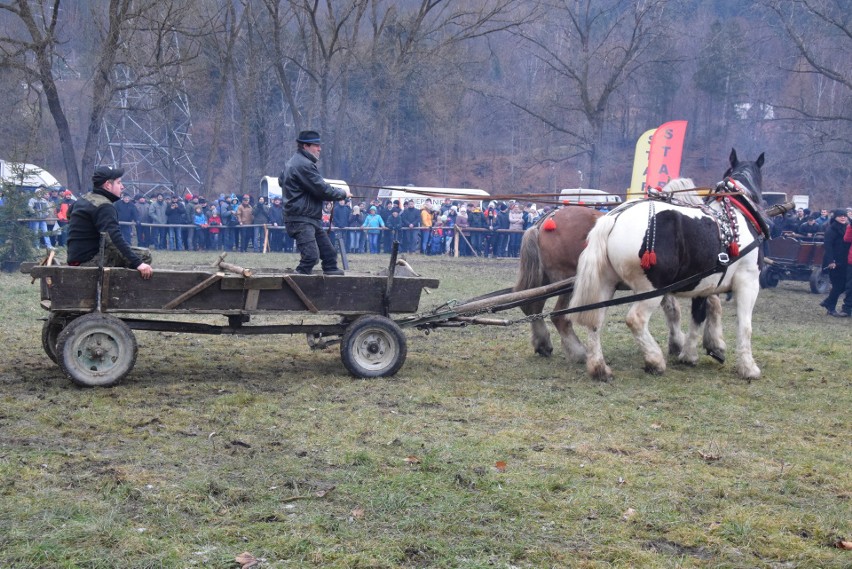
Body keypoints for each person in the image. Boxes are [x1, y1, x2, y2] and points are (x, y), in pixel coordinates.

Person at [279, 130, 351, 275]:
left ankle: (330, 277)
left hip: (308, 218)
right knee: (311, 257)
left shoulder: (294, 162)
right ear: (305, 146)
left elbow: (282, 181)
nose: (319, 149)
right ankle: (296, 282)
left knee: (330, 256)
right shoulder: (303, 164)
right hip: (300, 219)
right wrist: (343, 194)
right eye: (316, 145)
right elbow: (322, 190)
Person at [66, 166, 153, 279]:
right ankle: (119, 291)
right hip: (89, 260)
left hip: (75, 257)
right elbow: (113, 239)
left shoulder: (84, 199)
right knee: (144, 256)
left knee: (129, 254)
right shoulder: (104, 206)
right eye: (119, 182)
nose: (122, 187)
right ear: (108, 185)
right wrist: (138, 263)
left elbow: (69, 214)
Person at [820, 209, 850, 316]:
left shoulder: (845, 228)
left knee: (842, 286)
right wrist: (831, 261)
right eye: (840, 216)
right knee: (838, 285)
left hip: (844, 261)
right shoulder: (831, 230)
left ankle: (828, 302)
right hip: (834, 262)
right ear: (835, 217)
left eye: (844, 216)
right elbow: (828, 247)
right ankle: (830, 308)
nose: (843, 218)